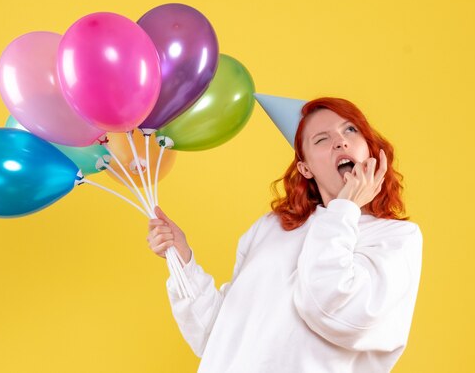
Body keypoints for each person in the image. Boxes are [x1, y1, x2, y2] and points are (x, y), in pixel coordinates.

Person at [147, 97, 423, 373]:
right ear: (306, 168)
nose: (340, 141)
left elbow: (333, 309)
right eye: (322, 139)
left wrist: (345, 208)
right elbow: (218, 336)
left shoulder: (396, 238)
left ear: (369, 150)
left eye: (350, 130)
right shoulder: (271, 227)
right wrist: (181, 260)